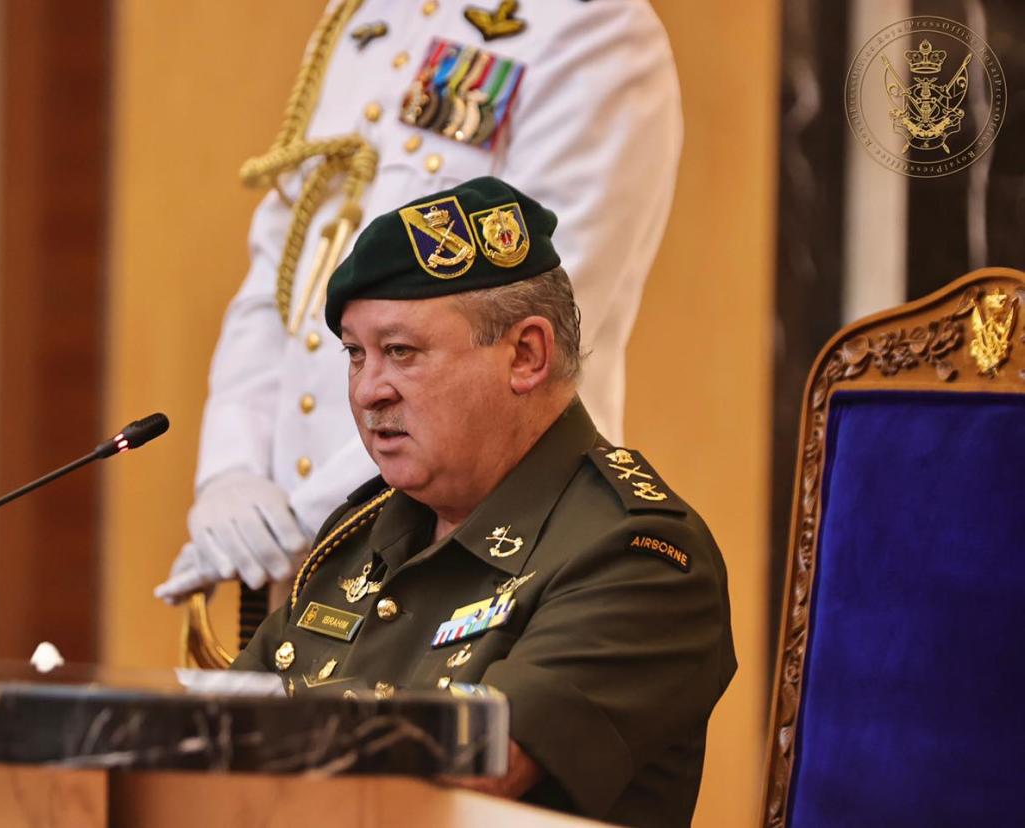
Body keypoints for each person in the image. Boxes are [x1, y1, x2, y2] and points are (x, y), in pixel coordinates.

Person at [230, 177, 736, 827]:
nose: (367, 391)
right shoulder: (360, 532)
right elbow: (216, 729)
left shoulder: (640, 557)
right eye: (356, 355)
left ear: (525, 355)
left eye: (401, 352)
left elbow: (466, 776)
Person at [155, 0, 683, 602]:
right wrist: (233, 474)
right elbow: (281, 271)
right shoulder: (364, 15)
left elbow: (531, 318)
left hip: (475, 548)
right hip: (301, 556)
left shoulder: (592, 26)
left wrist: (310, 522)